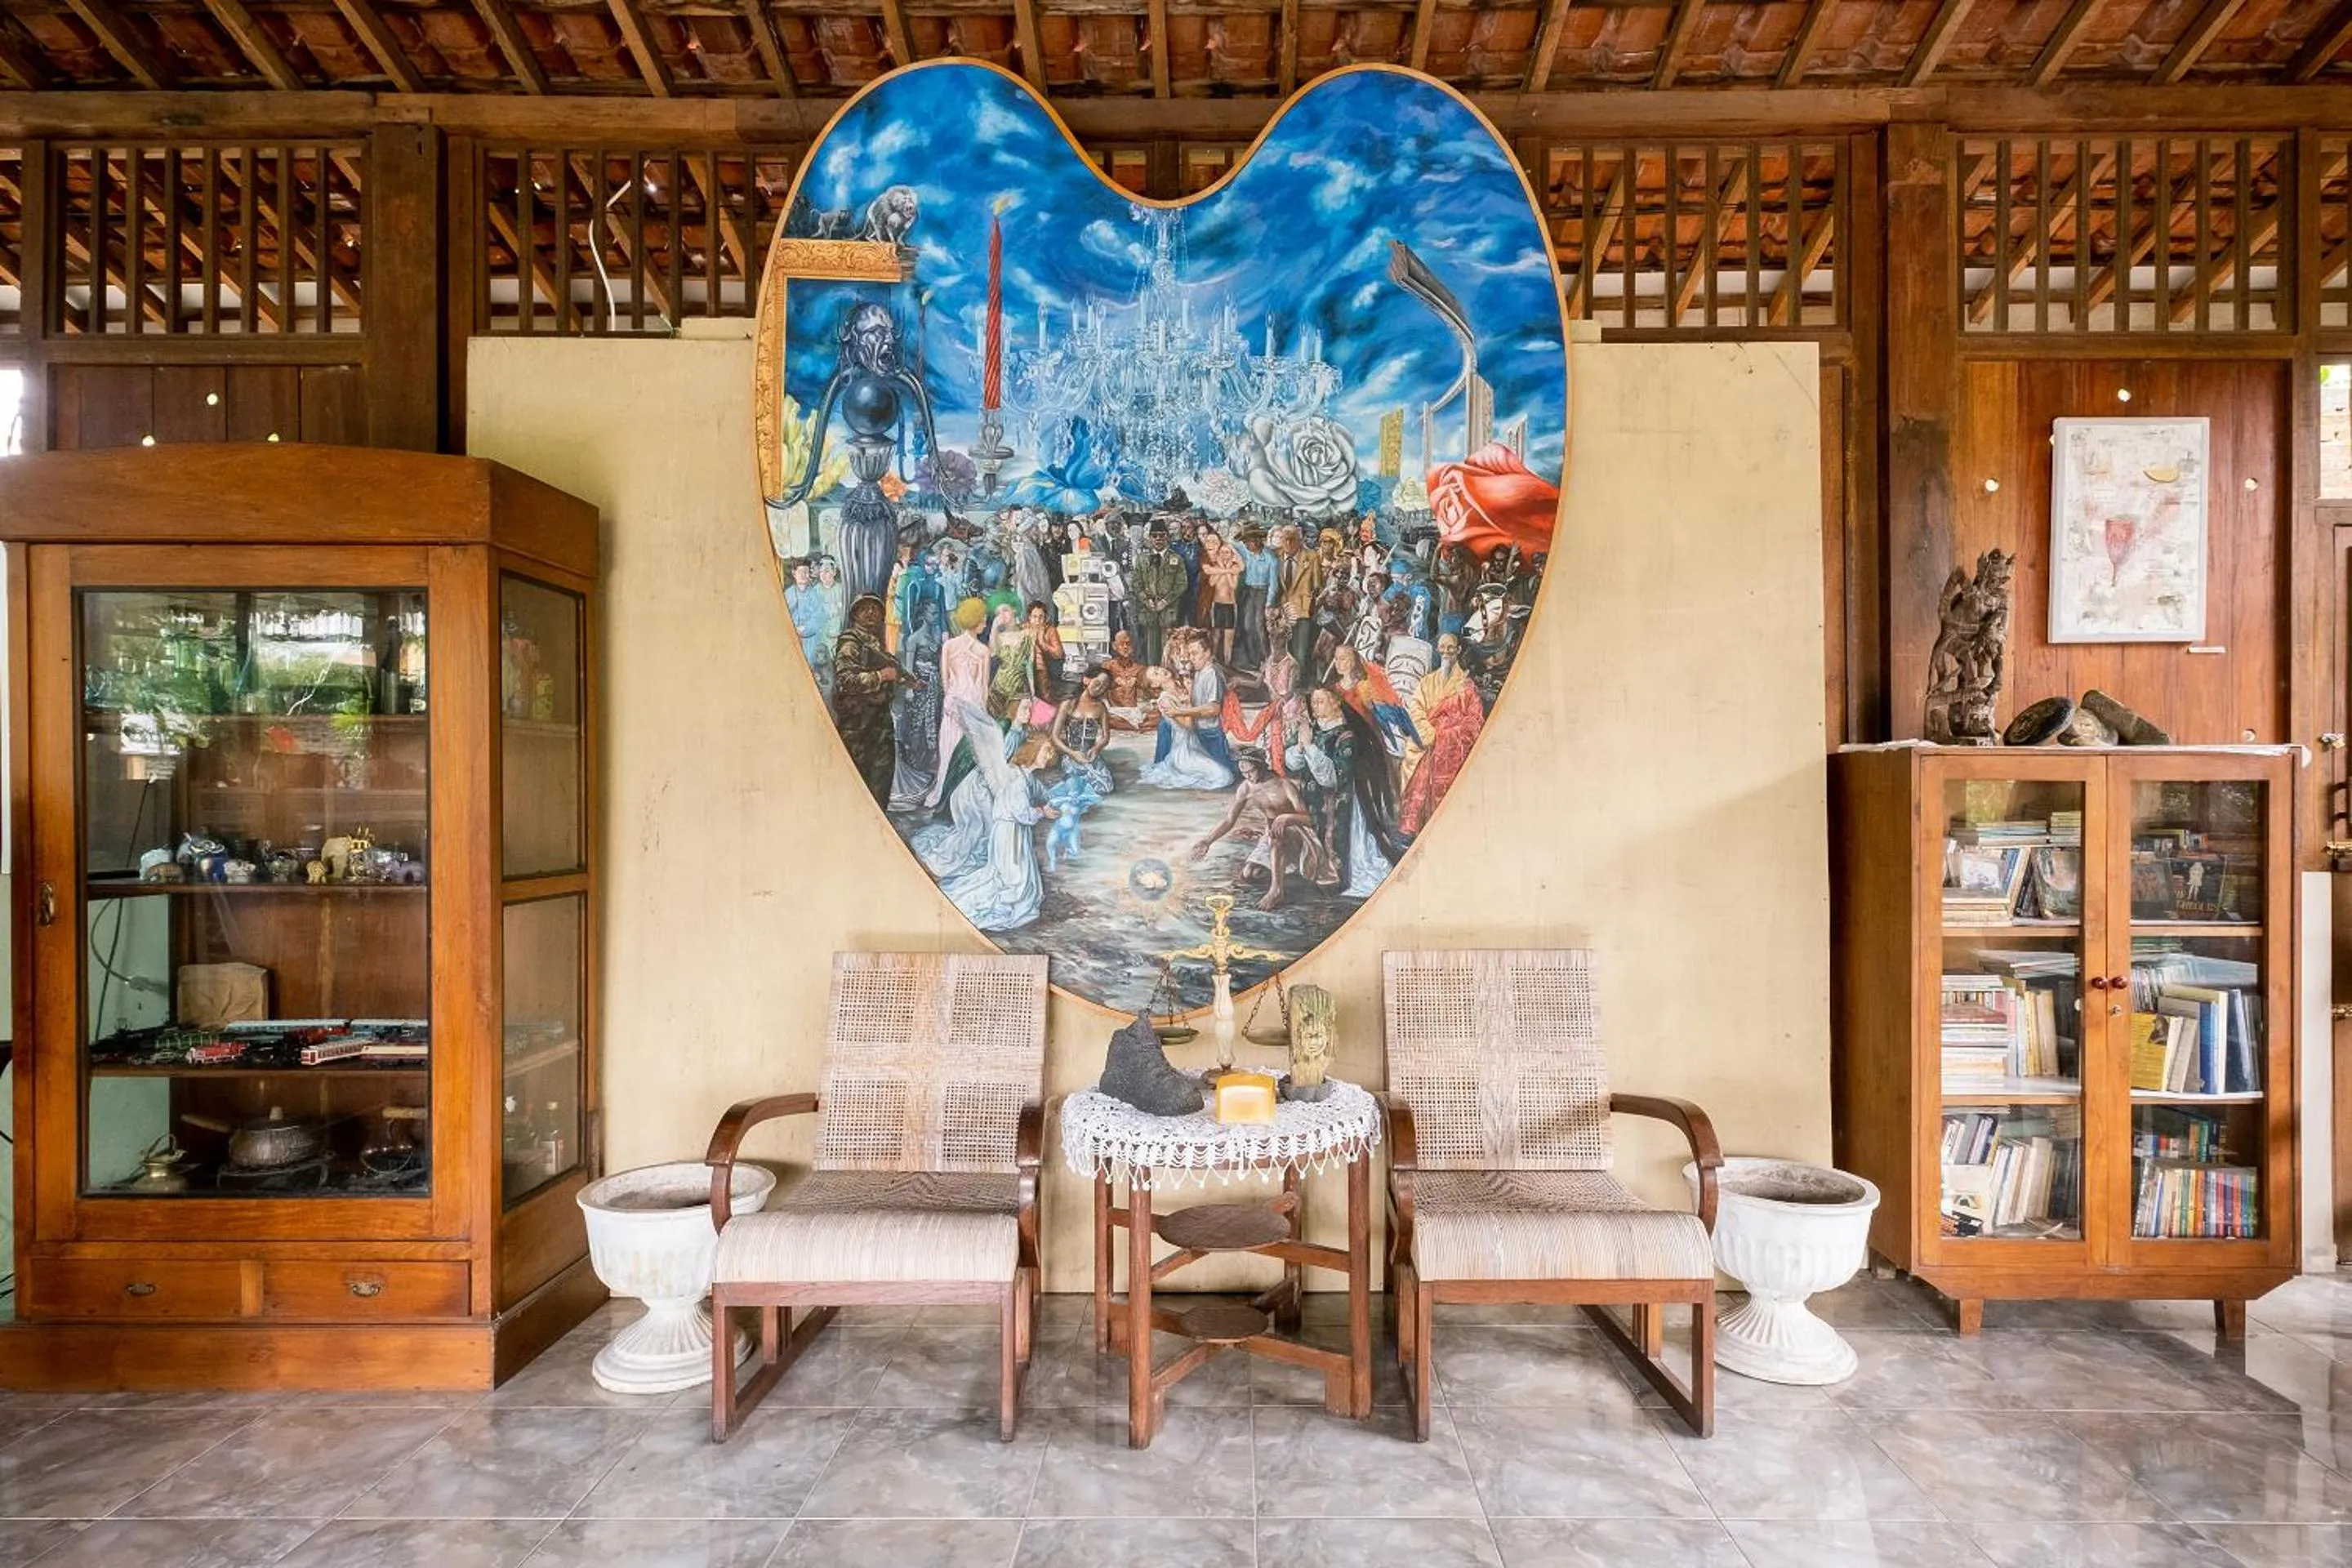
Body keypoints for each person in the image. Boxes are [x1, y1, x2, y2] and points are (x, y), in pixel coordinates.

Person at [915, 707, 1058, 932]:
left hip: (1012, 831)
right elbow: (1022, 812)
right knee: (1009, 875)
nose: (1049, 757)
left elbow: (1034, 788)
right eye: (1046, 752)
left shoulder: (1023, 774)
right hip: (1005, 826)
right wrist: (1042, 812)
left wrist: (1047, 801)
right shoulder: (1015, 776)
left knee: (1017, 873)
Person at [1192, 750, 1325, 911]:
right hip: (1271, 834)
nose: (1247, 776)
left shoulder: (1284, 786)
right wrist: (1208, 841)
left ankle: (1277, 890)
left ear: (1261, 766)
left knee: (1277, 835)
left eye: (1250, 771)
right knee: (1250, 874)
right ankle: (1286, 873)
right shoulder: (1246, 789)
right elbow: (1229, 820)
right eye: (1243, 773)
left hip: (1298, 833)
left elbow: (1309, 819)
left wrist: (1287, 818)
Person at [1398, 630, 1486, 835]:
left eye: (1450, 648)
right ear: (1438, 650)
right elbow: (1416, 709)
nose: (1446, 652)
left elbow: (1474, 720)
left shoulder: (1467, 686)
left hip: (1454, 747)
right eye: (1443, 647)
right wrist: (1430, 732)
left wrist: (1447, 734)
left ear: (1458, 651)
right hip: (1428, 740)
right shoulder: (1427, 682)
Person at [829, 595, 902, 808]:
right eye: (864, 609)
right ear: (855, 615)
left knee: (881, 781)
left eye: (875, 609)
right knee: (858, 783)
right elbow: (846, 681)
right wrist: (881, 676)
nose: (871, 613)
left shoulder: (875, 643)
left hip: (879, 723)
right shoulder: (850, 643)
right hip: (859, 724)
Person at [1139, 630, 1236, 791]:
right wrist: (1182, 709)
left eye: (1193, 653)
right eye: (1156, 673)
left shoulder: (1209, 673)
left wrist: (1181, 711)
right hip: (1191, 741)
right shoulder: (1175, 690)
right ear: (1154, 685)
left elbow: (1212, 708)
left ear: (1208, 653)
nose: (1188, 658)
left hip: (1205, 734)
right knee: (1164, 726)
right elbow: (1188, 721)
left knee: (1228, 773)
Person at [924, 598, 992, 811]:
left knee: (949, 748)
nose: (985, 623)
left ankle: (945, 794)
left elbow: (945, 681)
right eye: (983, 619)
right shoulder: (983, 651)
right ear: (976, 621)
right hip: (972, 704)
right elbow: (983, 688)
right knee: (971, 751)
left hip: (953, 702)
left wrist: (950, 700)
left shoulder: (949, 646)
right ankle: (965, 797)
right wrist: (983, 713)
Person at [888, 597, 945, 811]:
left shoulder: (938, 634)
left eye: (937, 613)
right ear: (923, 615)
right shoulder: (914, 639)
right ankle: (916, 763)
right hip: (919, 689)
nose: (935, 617)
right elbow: (909, 668)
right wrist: (911, 691)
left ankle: (930, 764)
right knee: (917, 728)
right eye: (932, 613)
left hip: (935, 687)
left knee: (935, 724)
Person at [1129, 519, 1189, 670]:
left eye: (1162, 535)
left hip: (1168, 611)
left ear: (1167, 536)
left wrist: (1165, 601)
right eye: (1154, 535)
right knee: (1150, 646)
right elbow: (1136, 583)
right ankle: (1152, 677)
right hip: (1149, 610)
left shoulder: (1176, 559)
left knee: (1167, 645)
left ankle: (1167, 675)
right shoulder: (1142, 559)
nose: (1158, 539)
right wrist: (1146, 599)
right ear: (1149, 538)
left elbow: (1182, 584)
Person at [1051, 666, 1115, 795]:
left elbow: (1105, 737)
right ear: (1086, 680)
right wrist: (1072, 753)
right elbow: (1054, 737)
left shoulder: (1101, 708)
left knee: (1105, 787)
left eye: (1104, 687)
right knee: (1075, 788)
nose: (1099, 689)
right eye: (1097, 683)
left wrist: (1096, 749)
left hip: (1091, 755)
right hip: (1072, 755)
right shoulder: (1069, 704)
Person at [1276, 524, 1324, 674]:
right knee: (1283, 649)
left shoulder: (1311, 557)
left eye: (1293, 539)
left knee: (1301, 651)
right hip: (1282, 611)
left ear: (1300, 540)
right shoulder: (1276, 556)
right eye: (1285, 539)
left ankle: (1299, 683)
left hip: (1303, 611)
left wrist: (1312, 603)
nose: (1289, 544)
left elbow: (1318, 585)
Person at [1233, 522, 1276, 672]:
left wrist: (1269, 604)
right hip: (1249, 592)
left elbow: (1273, 584)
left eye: (1249, 541)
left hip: (1263, 593)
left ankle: (1267, 659)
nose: (1246, 545)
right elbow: (1233, 543)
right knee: (1246, 625)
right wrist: (1243, 531)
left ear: (1258, 541)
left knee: (1260, 626)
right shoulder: (1246, 553)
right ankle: (1253, 660)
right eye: (1245, 542)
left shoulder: (1270, 558)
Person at [1200, 526, 1243, 666]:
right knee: (1216, 635)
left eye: (1227, 552)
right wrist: (1226, 570)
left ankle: (1227, 663)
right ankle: (1214, 660)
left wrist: (1227, 570)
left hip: (1230, 605)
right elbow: (1212, 582)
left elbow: (1233, 586)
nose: (1225, 555)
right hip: (1217, 605)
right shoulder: (1222, 568)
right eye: (1223, 552)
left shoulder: (1233, 570)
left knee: (1229, 638)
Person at [785, 559, 830, 688]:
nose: (804, 575)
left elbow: (820, 616)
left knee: (810, 669)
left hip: (810, 639)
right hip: (792, 637)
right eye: (801, 572)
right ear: (794, 573)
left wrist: (805, 629)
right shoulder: (788, 594)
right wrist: (793, 629)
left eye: (806, 572)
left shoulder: (813, 594)